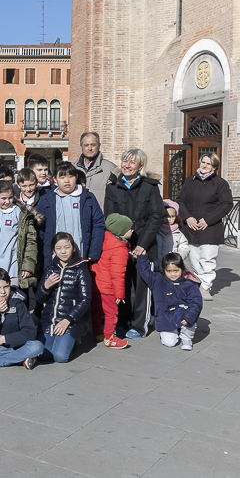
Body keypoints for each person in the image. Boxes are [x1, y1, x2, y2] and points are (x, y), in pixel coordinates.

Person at [104, 148, 165, 339]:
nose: (127, 165)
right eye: (124, 161)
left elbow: (157, 217)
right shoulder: (112, 186)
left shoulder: (150, 187)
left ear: (140, 166)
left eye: (132, 162)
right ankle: (122, 322)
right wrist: (123, 241)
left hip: (144, 246)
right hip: (121, 245)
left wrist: (142, 245)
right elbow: (110, 218)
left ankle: (140, 326)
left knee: (142, 288)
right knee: (121, 285)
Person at [176, 153, 233, 301]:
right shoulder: (190, 181)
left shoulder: (220, 183)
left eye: (208, 164)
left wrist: (208, 220)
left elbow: (227, 204)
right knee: (194, 259)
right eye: (203, 162)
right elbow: (181, 201)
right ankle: (198, 283)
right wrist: (187, 217)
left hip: (210, 228)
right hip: (191, 226)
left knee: (207, 258)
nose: (204, 166)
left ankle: (205, 287)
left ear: (214, 166)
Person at [36, 233, 91, 363]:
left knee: (60, 357)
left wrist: (68, 320)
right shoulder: (50, 269)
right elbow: (39, 298)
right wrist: (46, 286)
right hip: (49, 321)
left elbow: (85, 300)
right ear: (53, 250)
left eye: (67, 247)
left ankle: (75, 340)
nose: (63, 251)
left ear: (74, 248)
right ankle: (58, 341)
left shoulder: (81, 270)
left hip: (70, 322)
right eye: (59, 248)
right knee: (42, 354)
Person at [0, 180, 39, 288]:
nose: (7, 201)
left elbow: (30, 242)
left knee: (13, 299)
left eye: (10, 197)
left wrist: (28, 266)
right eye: (3, 198)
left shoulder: (21, 214)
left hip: (13, 267)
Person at [38, 162, 106, 262]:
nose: (67, 181)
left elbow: (98, 224)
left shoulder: (87, 197)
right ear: (55, 180)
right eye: (62, 177)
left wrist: (94, 252)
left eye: (70, 176)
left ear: (76, 177)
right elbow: (39, 230)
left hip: (81, 255)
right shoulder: (47, 200)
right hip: (54, 259)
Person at [137, 253, 203, 351]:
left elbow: (196, 303)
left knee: (190, 321)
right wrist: (142, 256)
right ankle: (175, 330)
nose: (173, 274)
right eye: (169, 271)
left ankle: (186, 338)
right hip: (166, 318)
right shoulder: (157, 279)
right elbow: (144, 271)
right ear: (163, 269)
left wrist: (189, 317)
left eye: (176, 271)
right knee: (169, 343)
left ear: (182, 268)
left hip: (183, 315)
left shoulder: (189, 285)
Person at [91, 214, 133, 349]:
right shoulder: (120, 249)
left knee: (97, 309)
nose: (132, 231)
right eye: (129, 228)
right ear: (120, 231)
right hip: (108, 287)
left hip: (96, 282)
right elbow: (118, 274)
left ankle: (97, 332)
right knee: (112, 312)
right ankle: (110, 338)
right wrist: (120, 295)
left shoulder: (104, 240)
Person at [72, 132, 118, 211]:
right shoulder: (72, 169)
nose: (90, 148)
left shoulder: (111, 169)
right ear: (81, 146)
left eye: (93, 145)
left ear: (99, 146)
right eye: (86, 145)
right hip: (78, 217)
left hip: (100, 219)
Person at [157, 200, 190, 271]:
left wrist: (178, 257)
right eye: (165, 216)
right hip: (157, 267)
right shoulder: (156, 231)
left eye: (172, 216)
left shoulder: (178, 233)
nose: (168, 219)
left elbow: (184, 247)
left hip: (172, 267)